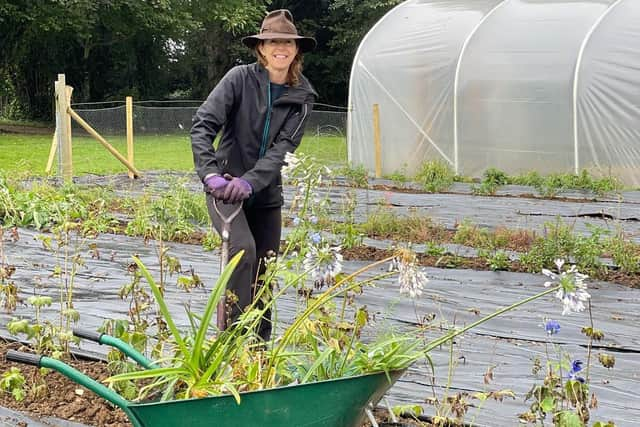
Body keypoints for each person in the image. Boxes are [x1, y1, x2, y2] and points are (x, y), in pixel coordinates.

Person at [191, 9, 317, 341]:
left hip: (265, 196)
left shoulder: (302, 96)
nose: (281, 48)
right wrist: (210, 175)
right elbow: (203, 125)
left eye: (288, 42)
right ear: (261, 49)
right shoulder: (238, 79)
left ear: (296, 49)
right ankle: (232, 343)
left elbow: (284, 149)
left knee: (265, 270)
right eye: (274, 41)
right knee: (242, 251)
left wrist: (252, 182)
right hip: (225, 189)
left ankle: (259, 351)